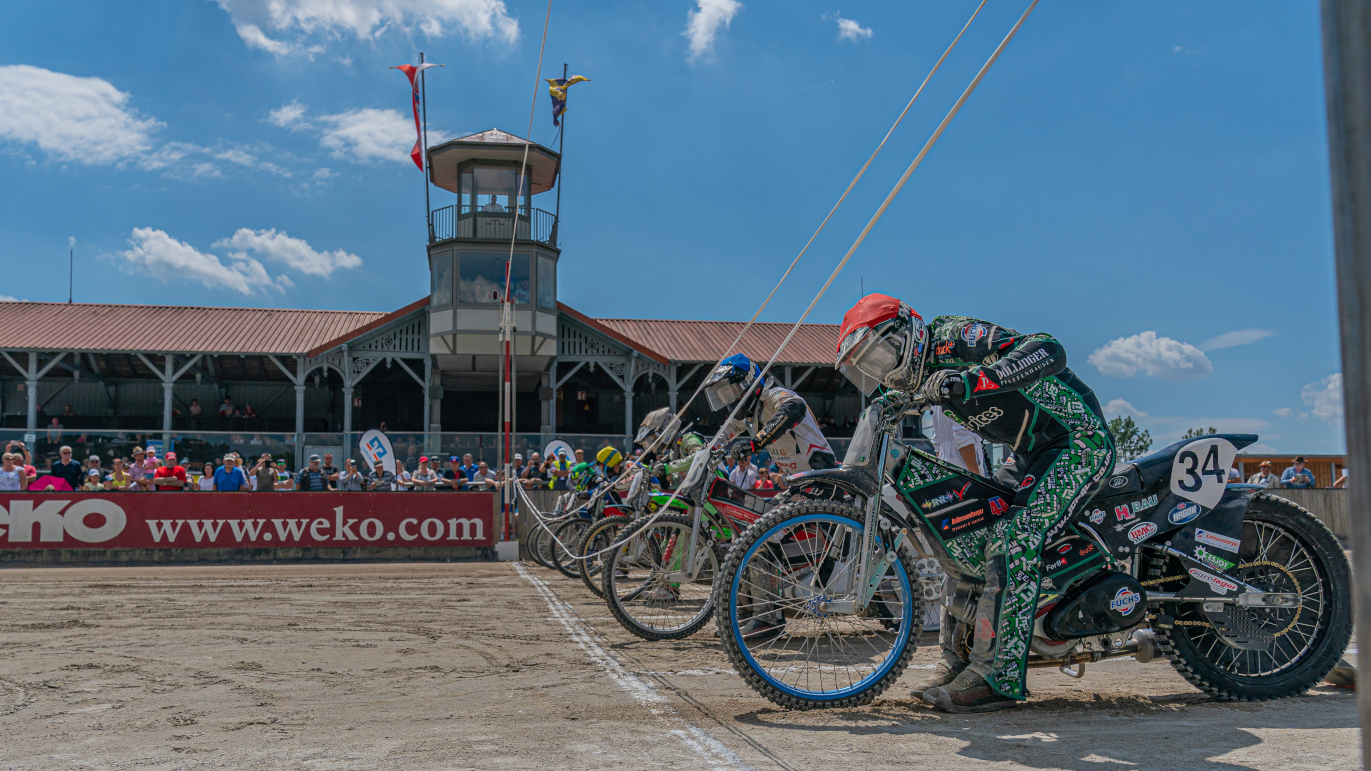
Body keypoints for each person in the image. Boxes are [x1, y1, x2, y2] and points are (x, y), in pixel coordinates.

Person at [834, 293, 1114, 713]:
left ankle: (997, 676)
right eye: (870, 366)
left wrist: (971, 379)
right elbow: (883, 406)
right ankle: (960, 660)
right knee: (964, 536)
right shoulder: (920, 377)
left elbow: (1049, 348)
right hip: (1030, 455)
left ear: (906, 331)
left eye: (883, 354)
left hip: (1078, 440)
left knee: (1013, 538)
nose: (883, 370)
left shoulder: (953, 339)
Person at [703, 353, 837, 475]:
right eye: (725, 396)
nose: (731, 399)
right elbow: (721, 436)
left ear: (749, 382)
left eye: (733, 391)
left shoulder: (773, 396)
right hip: (796, 482)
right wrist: (703, 453)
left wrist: (755, 442)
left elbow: (796, 406)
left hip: (822, 473)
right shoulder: (747, 418)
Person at [928, 406, 987, 475]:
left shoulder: (936, 402)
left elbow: (937, 441)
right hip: (963, 465)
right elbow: (964, 437)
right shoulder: (961, 397)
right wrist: (976, 477)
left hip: (945, 461)